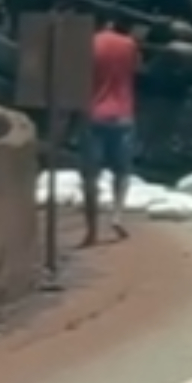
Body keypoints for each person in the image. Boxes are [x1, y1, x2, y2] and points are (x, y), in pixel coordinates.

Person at [80, 14, 141, 244]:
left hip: (94, 115)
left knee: (90, 176)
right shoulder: (129, 45)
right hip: (123, 116)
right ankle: (117, 216)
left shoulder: (90, 43)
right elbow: (136, 68)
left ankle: (91, 229)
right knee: (122, 171)